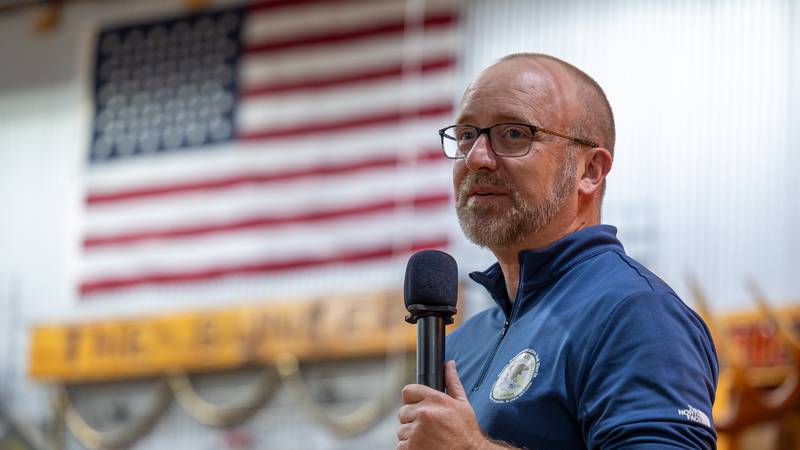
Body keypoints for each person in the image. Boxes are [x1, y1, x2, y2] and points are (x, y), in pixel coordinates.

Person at [396, 53, 718, 449]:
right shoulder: (463, 343)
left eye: (514, 134)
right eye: (465, 135)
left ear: (590, 171)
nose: (477, 157)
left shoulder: (636, 314)